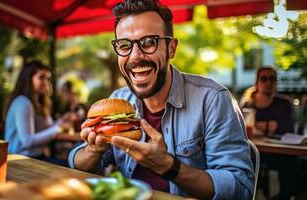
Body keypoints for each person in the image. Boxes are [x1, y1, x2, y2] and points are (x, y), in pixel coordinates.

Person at [68, 1, 254, 199]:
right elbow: (76, 163)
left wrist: (168, 166)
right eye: (124, 45)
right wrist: (93, 150)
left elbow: (240, 188)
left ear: (171, 48)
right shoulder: (118, 100)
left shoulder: (213, 100)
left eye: (149, 42)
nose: (135, 56)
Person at [241, 66, 302, 199]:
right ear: (257, 83)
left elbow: (286, 129)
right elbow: (242, 128)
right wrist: (270, 126)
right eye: (264, 79)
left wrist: (258, 125)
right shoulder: (248, 105)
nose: (268, 82)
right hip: (253, 151)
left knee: (294, 165)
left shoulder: (284, 103)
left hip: (279, 152)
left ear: (276, 82)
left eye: (272, 79)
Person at [4, 61, 71, 166]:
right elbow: (28, 141)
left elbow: (47, 129)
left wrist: (62, 120)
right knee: (74, 166)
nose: (46, 82)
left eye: (48, 78)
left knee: (73, 162)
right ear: (28, 79)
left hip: (35, 158)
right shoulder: (23, 103)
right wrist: (58, 128)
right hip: (20, 160)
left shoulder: (39, 102)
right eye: (41, 77)